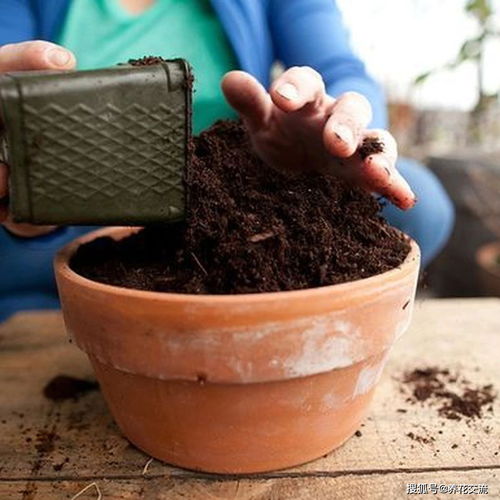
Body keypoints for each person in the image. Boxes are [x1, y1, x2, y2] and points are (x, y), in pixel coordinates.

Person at [0, 0, 454, 321]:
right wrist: (25, 186)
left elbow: (339, 67)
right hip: (77, 210)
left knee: (420, 202)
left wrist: (340, 124)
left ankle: (78, 308)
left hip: (239, 190)